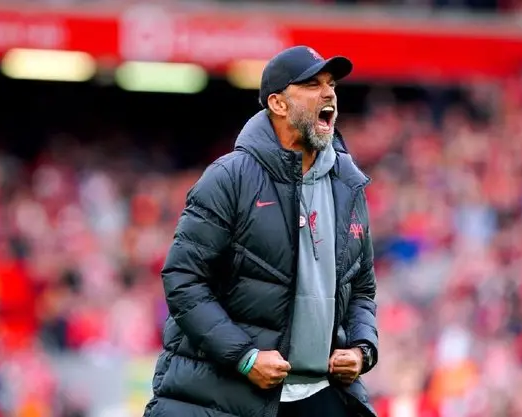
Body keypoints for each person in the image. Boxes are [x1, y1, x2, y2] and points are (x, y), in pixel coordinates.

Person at [143, 45, 378, 417]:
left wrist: (362, 349)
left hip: (321, 394)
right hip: (230, 394)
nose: (329, 93)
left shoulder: (349, 185)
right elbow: (183, 280)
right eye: (312, 84)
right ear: (278, 104)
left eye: (331, 84)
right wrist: (245, 357)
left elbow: (362, 288)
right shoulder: (229, 178)